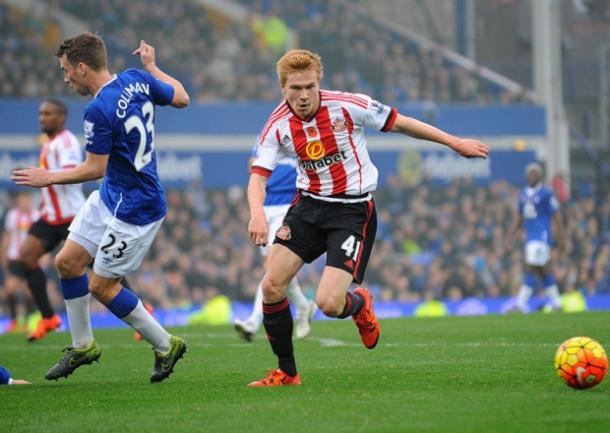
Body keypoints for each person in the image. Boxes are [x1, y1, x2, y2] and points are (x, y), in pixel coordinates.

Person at [246, 49, 489, 387]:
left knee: (328, 304)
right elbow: (258, 177)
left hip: (351, 210)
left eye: (309, 87)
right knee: (271, 286)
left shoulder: (348, 105)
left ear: (319, 83)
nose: (303, 96)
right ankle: (287, 372)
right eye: (294, 89)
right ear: (282, 88)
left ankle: (359, 303)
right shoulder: (276, 125)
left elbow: (402, 123)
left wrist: (454, 142)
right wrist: (257, 213)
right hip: (307, 207)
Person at [12, 32, 190, 383]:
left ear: (82, 67)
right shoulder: (137, 78)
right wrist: (153, 67)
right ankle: (83, 346)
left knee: (102, 287)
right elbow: (182, 97)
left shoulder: (97, 110)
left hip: (135, 208)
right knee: (66, 262)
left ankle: (166, 344)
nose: (65, 78)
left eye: (66, 70)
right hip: (112, 195)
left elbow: (96, 168)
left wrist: (49, 177)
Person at [234, 144, 316, 342]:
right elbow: (252, 164)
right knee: (274, 269)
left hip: (288, 205)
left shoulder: (301, 131)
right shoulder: (267, 135)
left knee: (272, 265)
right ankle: (304, 305)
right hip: (266, 206)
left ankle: (253, 321)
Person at [18, 99, 85, 342]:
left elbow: (71, 174)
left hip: (71, 215)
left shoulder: (66, 142)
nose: (41, 118)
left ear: (61, 117)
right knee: (27, 255)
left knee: (101, 267)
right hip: (50, 216)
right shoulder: (50, 144)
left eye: (47, 114)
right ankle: (48, 318)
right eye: (40, 114)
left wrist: (44, 177)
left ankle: (143, 310)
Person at [507, 162, 565, 312]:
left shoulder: (546, 194)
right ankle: (557, 304)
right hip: (530, 237)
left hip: (541, 236)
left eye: (534, 174)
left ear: (539, 176)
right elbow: (519, 217)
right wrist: (510, 236)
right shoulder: (523, 194)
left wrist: (561, 236)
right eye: (529, 174)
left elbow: (557, 215)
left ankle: (520, 304)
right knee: (543, 270)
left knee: (532, 268)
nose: (531, 176)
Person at [1, 190, 39, 332]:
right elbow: (7, 236)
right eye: (22, 199)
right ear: (18, 200)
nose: (24, 202)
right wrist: (3, 255)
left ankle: (28, 321)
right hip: (14, 258)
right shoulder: (12, 215)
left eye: (26, 199)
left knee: (29, 292)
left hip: (30, 258)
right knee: (10, 290)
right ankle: (14, 320)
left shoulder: (36, 216)